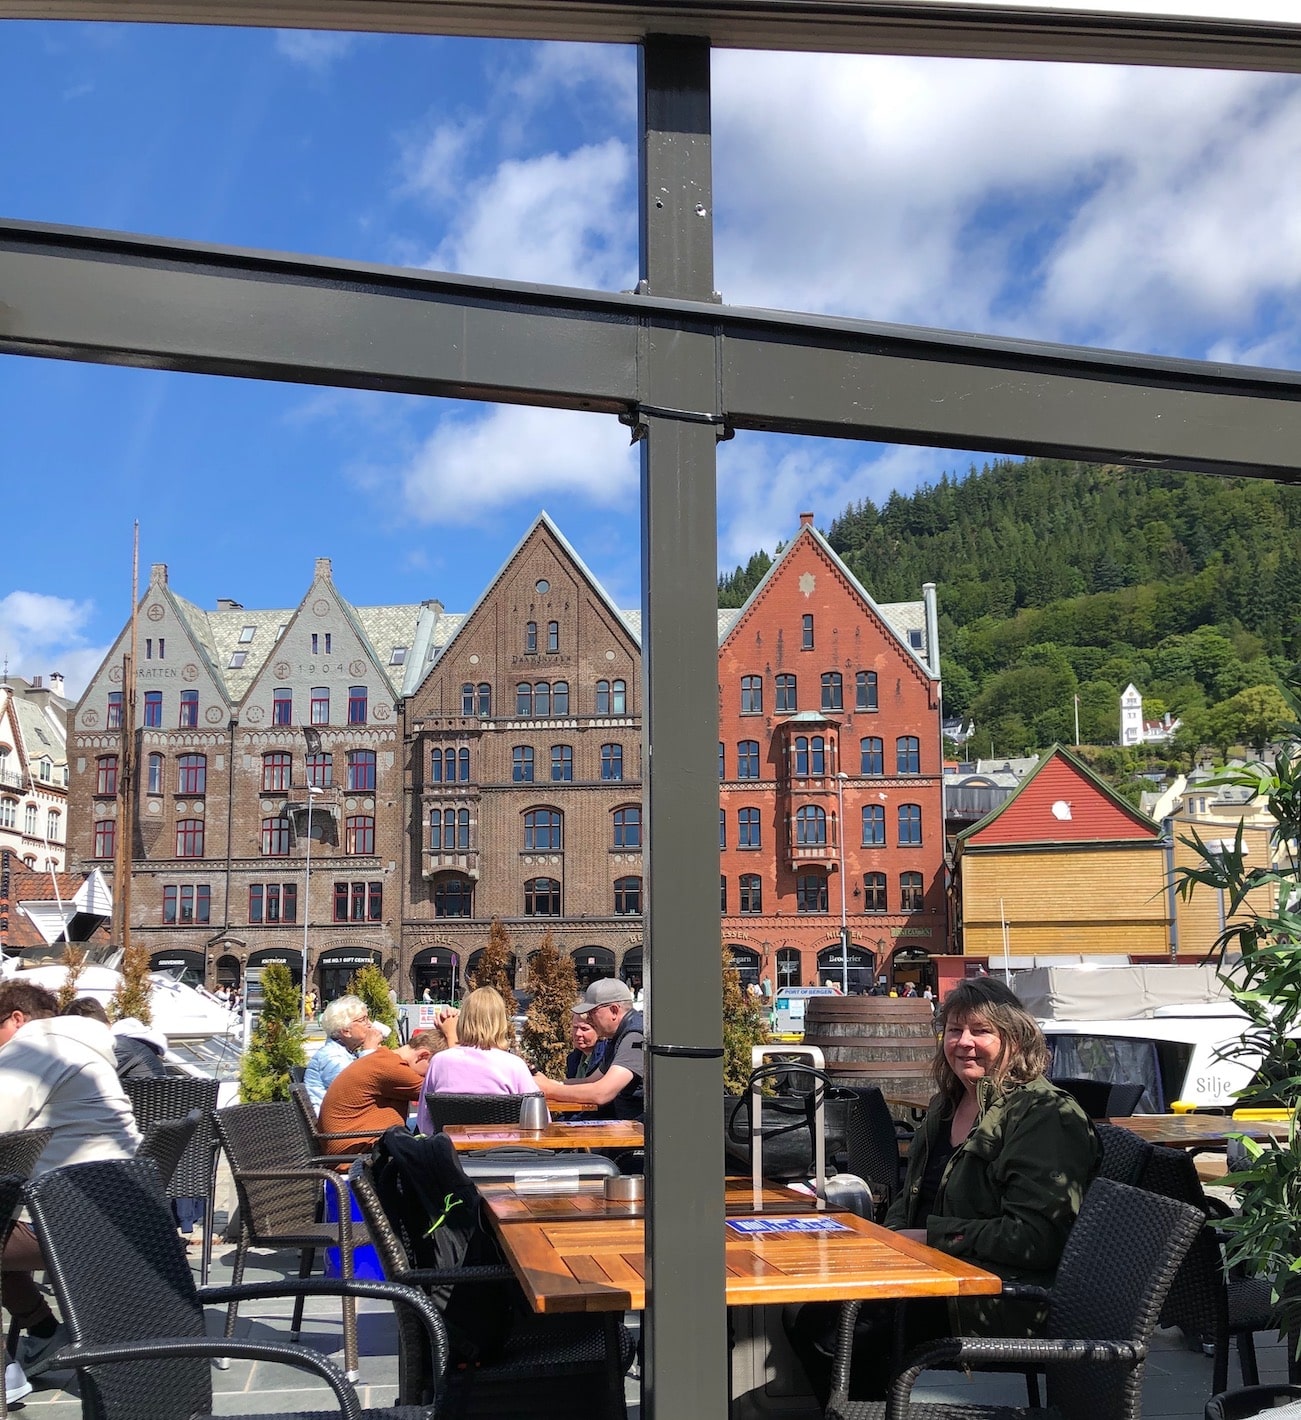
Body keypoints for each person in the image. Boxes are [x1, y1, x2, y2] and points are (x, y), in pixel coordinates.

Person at [785, 975, 1099, 1404]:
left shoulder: (1044, 1115)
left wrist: (930, 1238)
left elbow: (1037, 1239)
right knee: (808, 1307)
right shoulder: (947, 1104)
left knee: (828, 1330)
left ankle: (869, 1410)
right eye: (954, 1030)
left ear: (1016, 1038)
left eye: (981, 1031)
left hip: (992, 1298)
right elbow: (908, 1197)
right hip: (930, 1276)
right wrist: (891, 1243)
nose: (964, 1042)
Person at [0, 981, 142, 1394]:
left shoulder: (31, 1052)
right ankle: (45, 1337)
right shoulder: (83, 1049)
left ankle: (7, 1375)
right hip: (116, 1215)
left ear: (16, 1019)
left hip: (66, 1223)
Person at [415, 988, 535, 1132]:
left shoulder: (439, 1062)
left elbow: (424, 1122)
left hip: (450, 1150)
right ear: (501, 1023)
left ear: (464, 1020)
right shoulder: (514, 1065)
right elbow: (538, 1119)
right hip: (502, 1150)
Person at [318, 1029, 442, 1160]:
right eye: (433, 1070)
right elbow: (447, 1092)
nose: (430, 1076)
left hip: (359, 1144)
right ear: (423, 1056)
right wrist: (452, 1035)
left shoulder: (385, 1058)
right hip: (355, 1155)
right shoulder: (392, 1068)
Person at [530, 977, 643, 1120]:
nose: (588, 1018)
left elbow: (602, 1093)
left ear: (614, 1010)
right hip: (628, 1129)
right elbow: (592, 1081)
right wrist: (550, 1083)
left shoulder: (634, 1036)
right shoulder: (618, 1037)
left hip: (640, 1135)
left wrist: (549, 1090)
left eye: (592, 1012)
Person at [304, 995, 372, 1109]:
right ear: (346, 1031)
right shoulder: (332, 1057)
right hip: (334, 1123)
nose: (370, 1024)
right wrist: (370, 1051)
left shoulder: (347, 1052)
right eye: (363, 1020)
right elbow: (360, 1092)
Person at [564, 1013, 608, 1081]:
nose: (577, 1033)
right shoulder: (573, 1059)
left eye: (584, 1029)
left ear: (599, 1031)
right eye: (575, 1027)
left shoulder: (607, 1058)